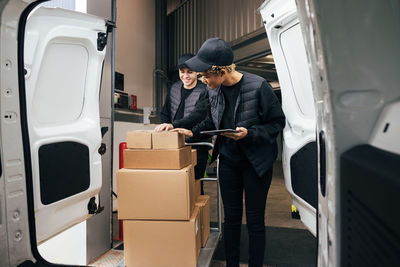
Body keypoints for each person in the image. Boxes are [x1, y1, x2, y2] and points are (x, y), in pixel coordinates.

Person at [185, 38, 286, 267]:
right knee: (230, 219)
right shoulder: (213, 90)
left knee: (254, 221)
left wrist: (248, 134)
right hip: (229, 160)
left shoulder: (259, 86)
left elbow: (276, 123)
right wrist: (188, 132)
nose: (202, 80)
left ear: (220, 71)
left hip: (256, 163)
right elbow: (211, 120)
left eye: (205, 75)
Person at [155, 53, 211, 182]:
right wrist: (166, 128)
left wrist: (173, 125)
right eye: (182, 71)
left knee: (195, 183)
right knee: (176, 183)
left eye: (190, 72)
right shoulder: (174, 88)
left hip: (197, 144)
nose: (185, 76)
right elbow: (165, 112)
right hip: (175, 143)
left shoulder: (205, 90)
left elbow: (197, 116)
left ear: (197, 72)